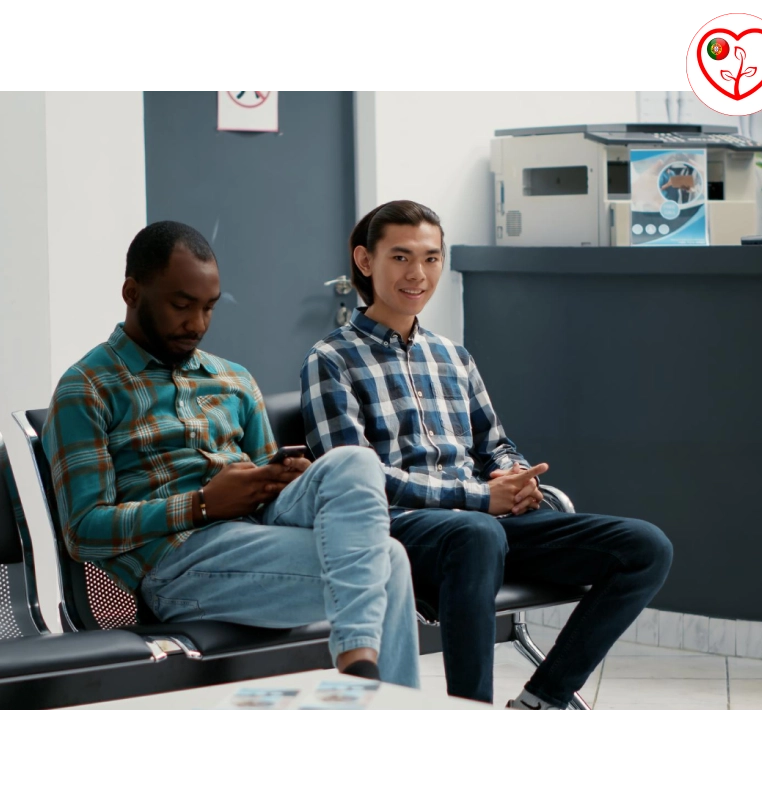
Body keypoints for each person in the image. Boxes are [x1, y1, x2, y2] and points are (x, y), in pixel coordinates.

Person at [300, 200, 674, 710]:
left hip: (485, 525)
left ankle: (542, 699)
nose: (419, 274)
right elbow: (354, 479)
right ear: (366, 262)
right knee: (475, 532)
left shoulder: (453, 356)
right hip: (403, 531)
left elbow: (492, 442)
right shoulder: (331, 359)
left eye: (432, 259)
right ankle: (469, 705)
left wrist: (512, 476)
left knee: (645, 546)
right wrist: (480, 498)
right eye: (402, 257)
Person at [42, 220, 420, 688]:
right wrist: (202, 504)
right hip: (181, 567)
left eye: (208, 309)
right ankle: (372, 680)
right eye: (181, 306)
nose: (197, 324)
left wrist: (284, 479)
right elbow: (82, 531)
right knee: (387, 561)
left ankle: (365, 675)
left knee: (355, 462)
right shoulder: (87, 389)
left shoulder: (233, 378)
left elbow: (267, 483)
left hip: (255, 534)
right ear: (132, 292)